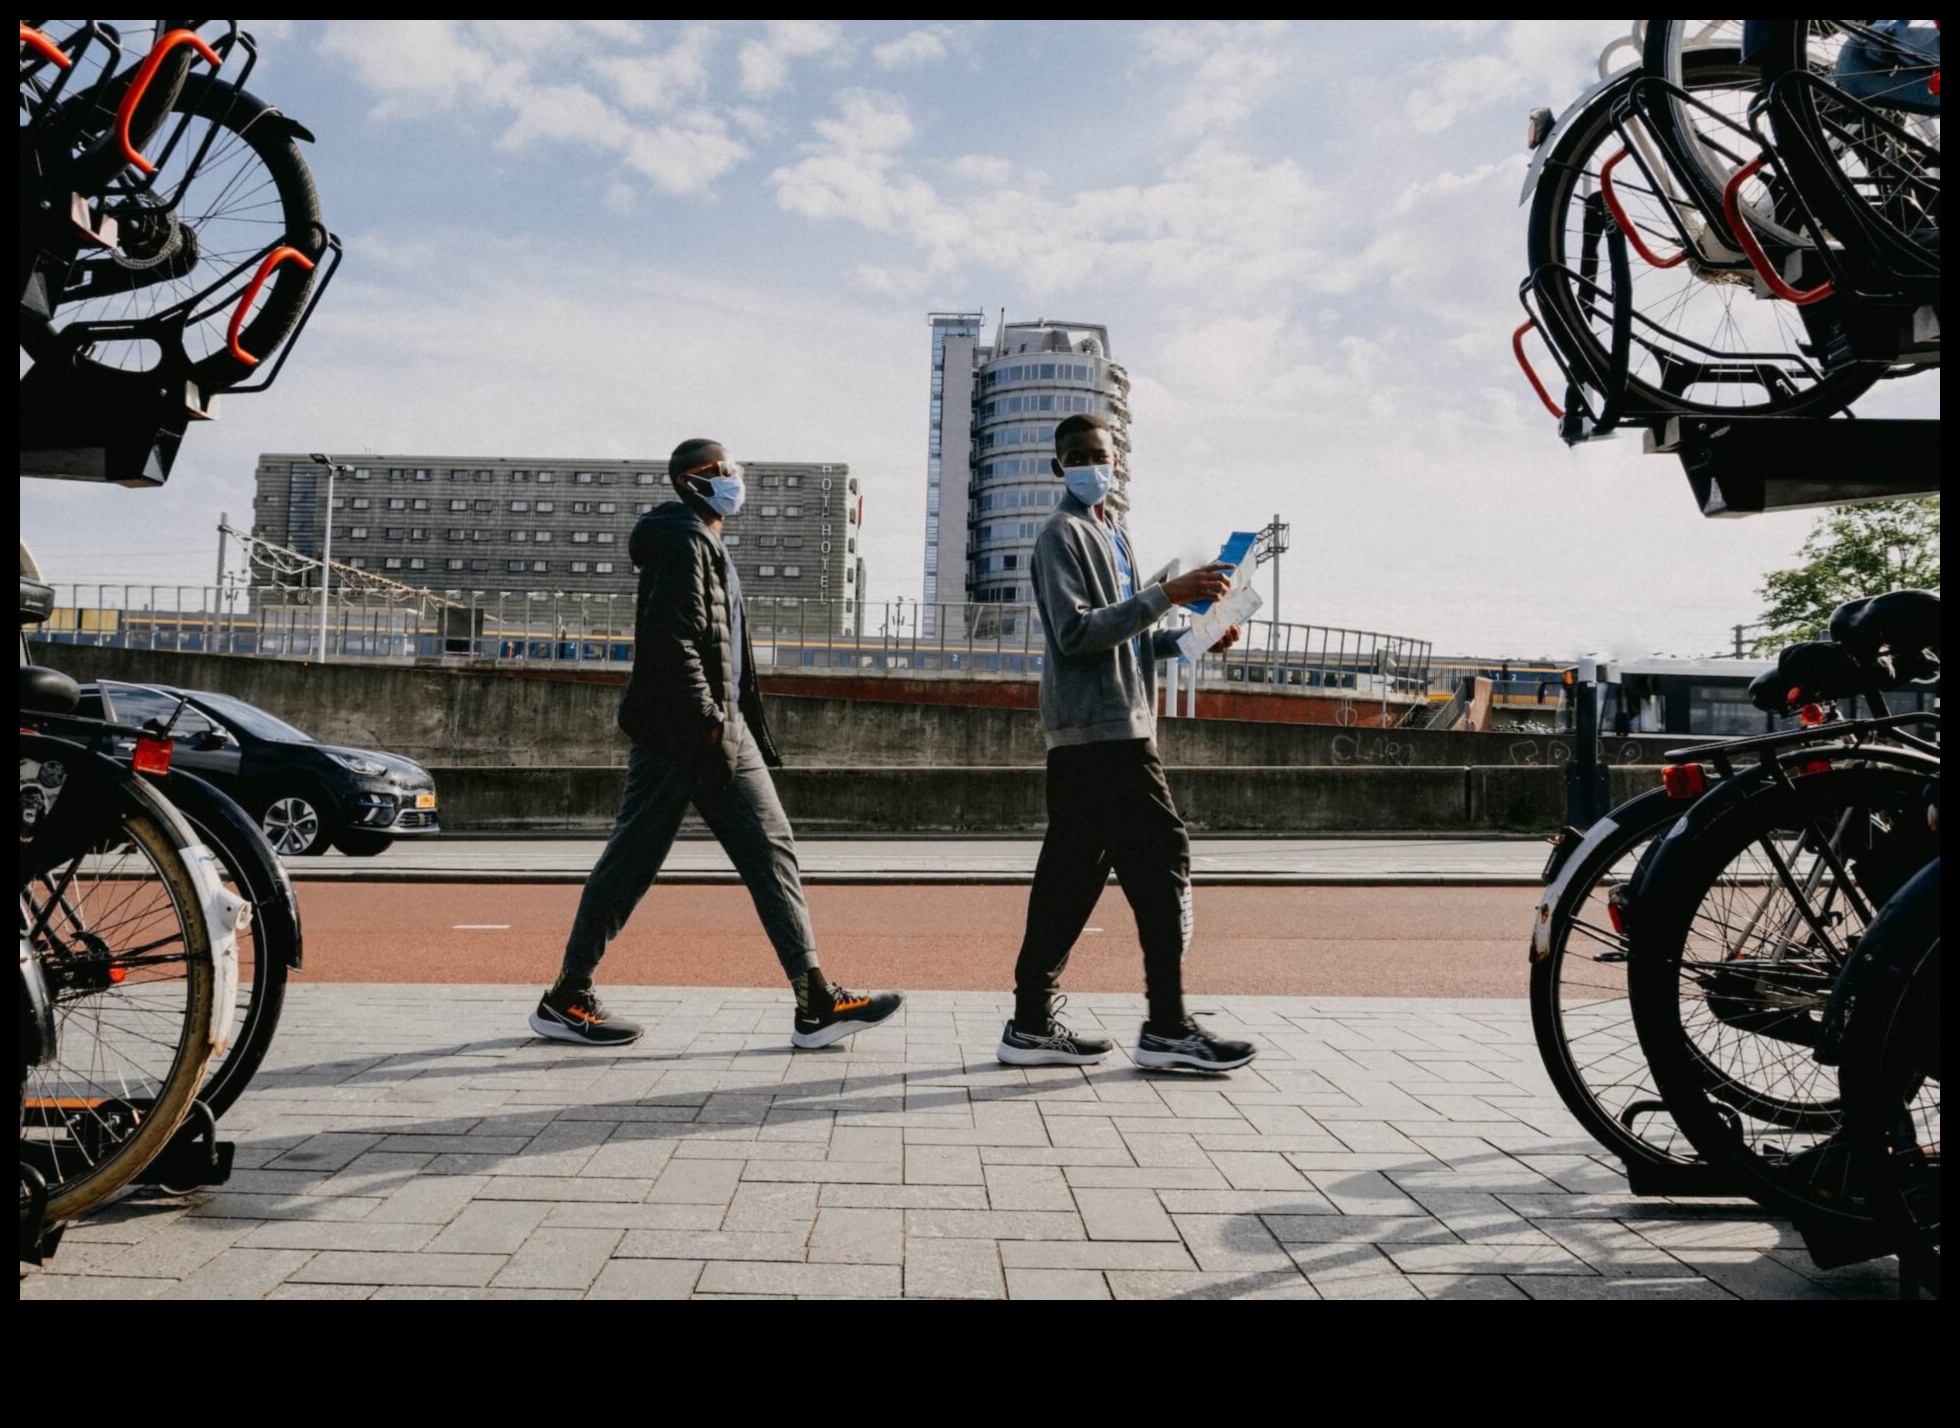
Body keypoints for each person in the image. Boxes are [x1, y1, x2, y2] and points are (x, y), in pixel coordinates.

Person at [530, 438, 902, 1049]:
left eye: (733, 468)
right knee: (635, 860)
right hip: (685, 731)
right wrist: (708, 718)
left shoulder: (703, 540)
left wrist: (727, 720)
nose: (730, 478)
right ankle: (566, 998)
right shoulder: (683, 540)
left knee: (769, 848)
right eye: (715, 471)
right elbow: (671, 638)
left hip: (716, 728)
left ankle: (814, 1002)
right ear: (685, 482)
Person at [997, 413, 1258, 1073]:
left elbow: (1132, 638)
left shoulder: (1115, 534)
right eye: (1077, 456)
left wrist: (1194, 637)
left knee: (1071, 877)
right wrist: (1165, 593)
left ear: (1117, 463)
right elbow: (1076, 635)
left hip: (1111, 728)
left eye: (1100, 454)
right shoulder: (1061, 535)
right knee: (1163, 852)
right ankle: (1167, 1026)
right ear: (1059, 468)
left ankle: (1030, 1022)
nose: (1090, 464)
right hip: (1102, 733)